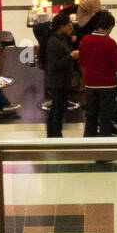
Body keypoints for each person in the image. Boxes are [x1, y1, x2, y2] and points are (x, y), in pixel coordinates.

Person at [77, 9, 117, 137]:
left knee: (91, 115)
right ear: (110, 27)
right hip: (107, 85)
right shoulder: (110, 43)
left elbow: (81, 61)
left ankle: (88, 141)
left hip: (90, 84)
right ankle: (104, 145)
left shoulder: (85, 40)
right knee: (105, 117)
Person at [43, 9, 75, 139]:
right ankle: (55, 134)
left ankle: (54, 133)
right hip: (58, 80)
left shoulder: (61, 39)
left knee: (58, 107)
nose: (70, 27)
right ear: (61, 27)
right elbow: (55, 64)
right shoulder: (54, 43)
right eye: (68, 25)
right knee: (58, 108)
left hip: (62, 79)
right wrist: (71, 56)